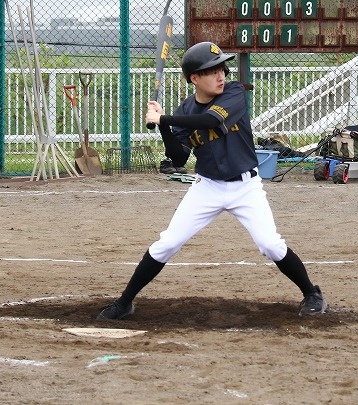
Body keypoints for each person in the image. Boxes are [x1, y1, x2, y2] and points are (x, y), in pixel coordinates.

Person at [98, 41, 327, 320]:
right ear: (194, 78)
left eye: (222, 69)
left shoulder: (234, 92)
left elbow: (210, 121)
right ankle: (125, 302)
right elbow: (179, 157)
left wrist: (164, 118)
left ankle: (312, 293)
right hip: (206, 187)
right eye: (212, 71)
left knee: (270, 244)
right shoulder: (185, 111)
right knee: (167, 243)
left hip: (246, 187)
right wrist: (164, 127)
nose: (220, 76)